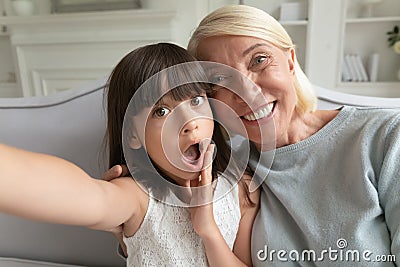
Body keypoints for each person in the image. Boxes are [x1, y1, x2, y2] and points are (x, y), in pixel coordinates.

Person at [106, 5, 400, 266]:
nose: (245, 92)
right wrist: (127, 226)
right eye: (220, 79)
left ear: (290, 61)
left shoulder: (385, 136)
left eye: (259, 60)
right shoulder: (229, 172)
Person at [0, 43, 260, 267]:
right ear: (133, 135)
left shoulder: (240, 188)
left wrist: (208, 229)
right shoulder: (137, 196)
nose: (189, 122)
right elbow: (80, 194)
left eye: (195, 101)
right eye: (162, 111)